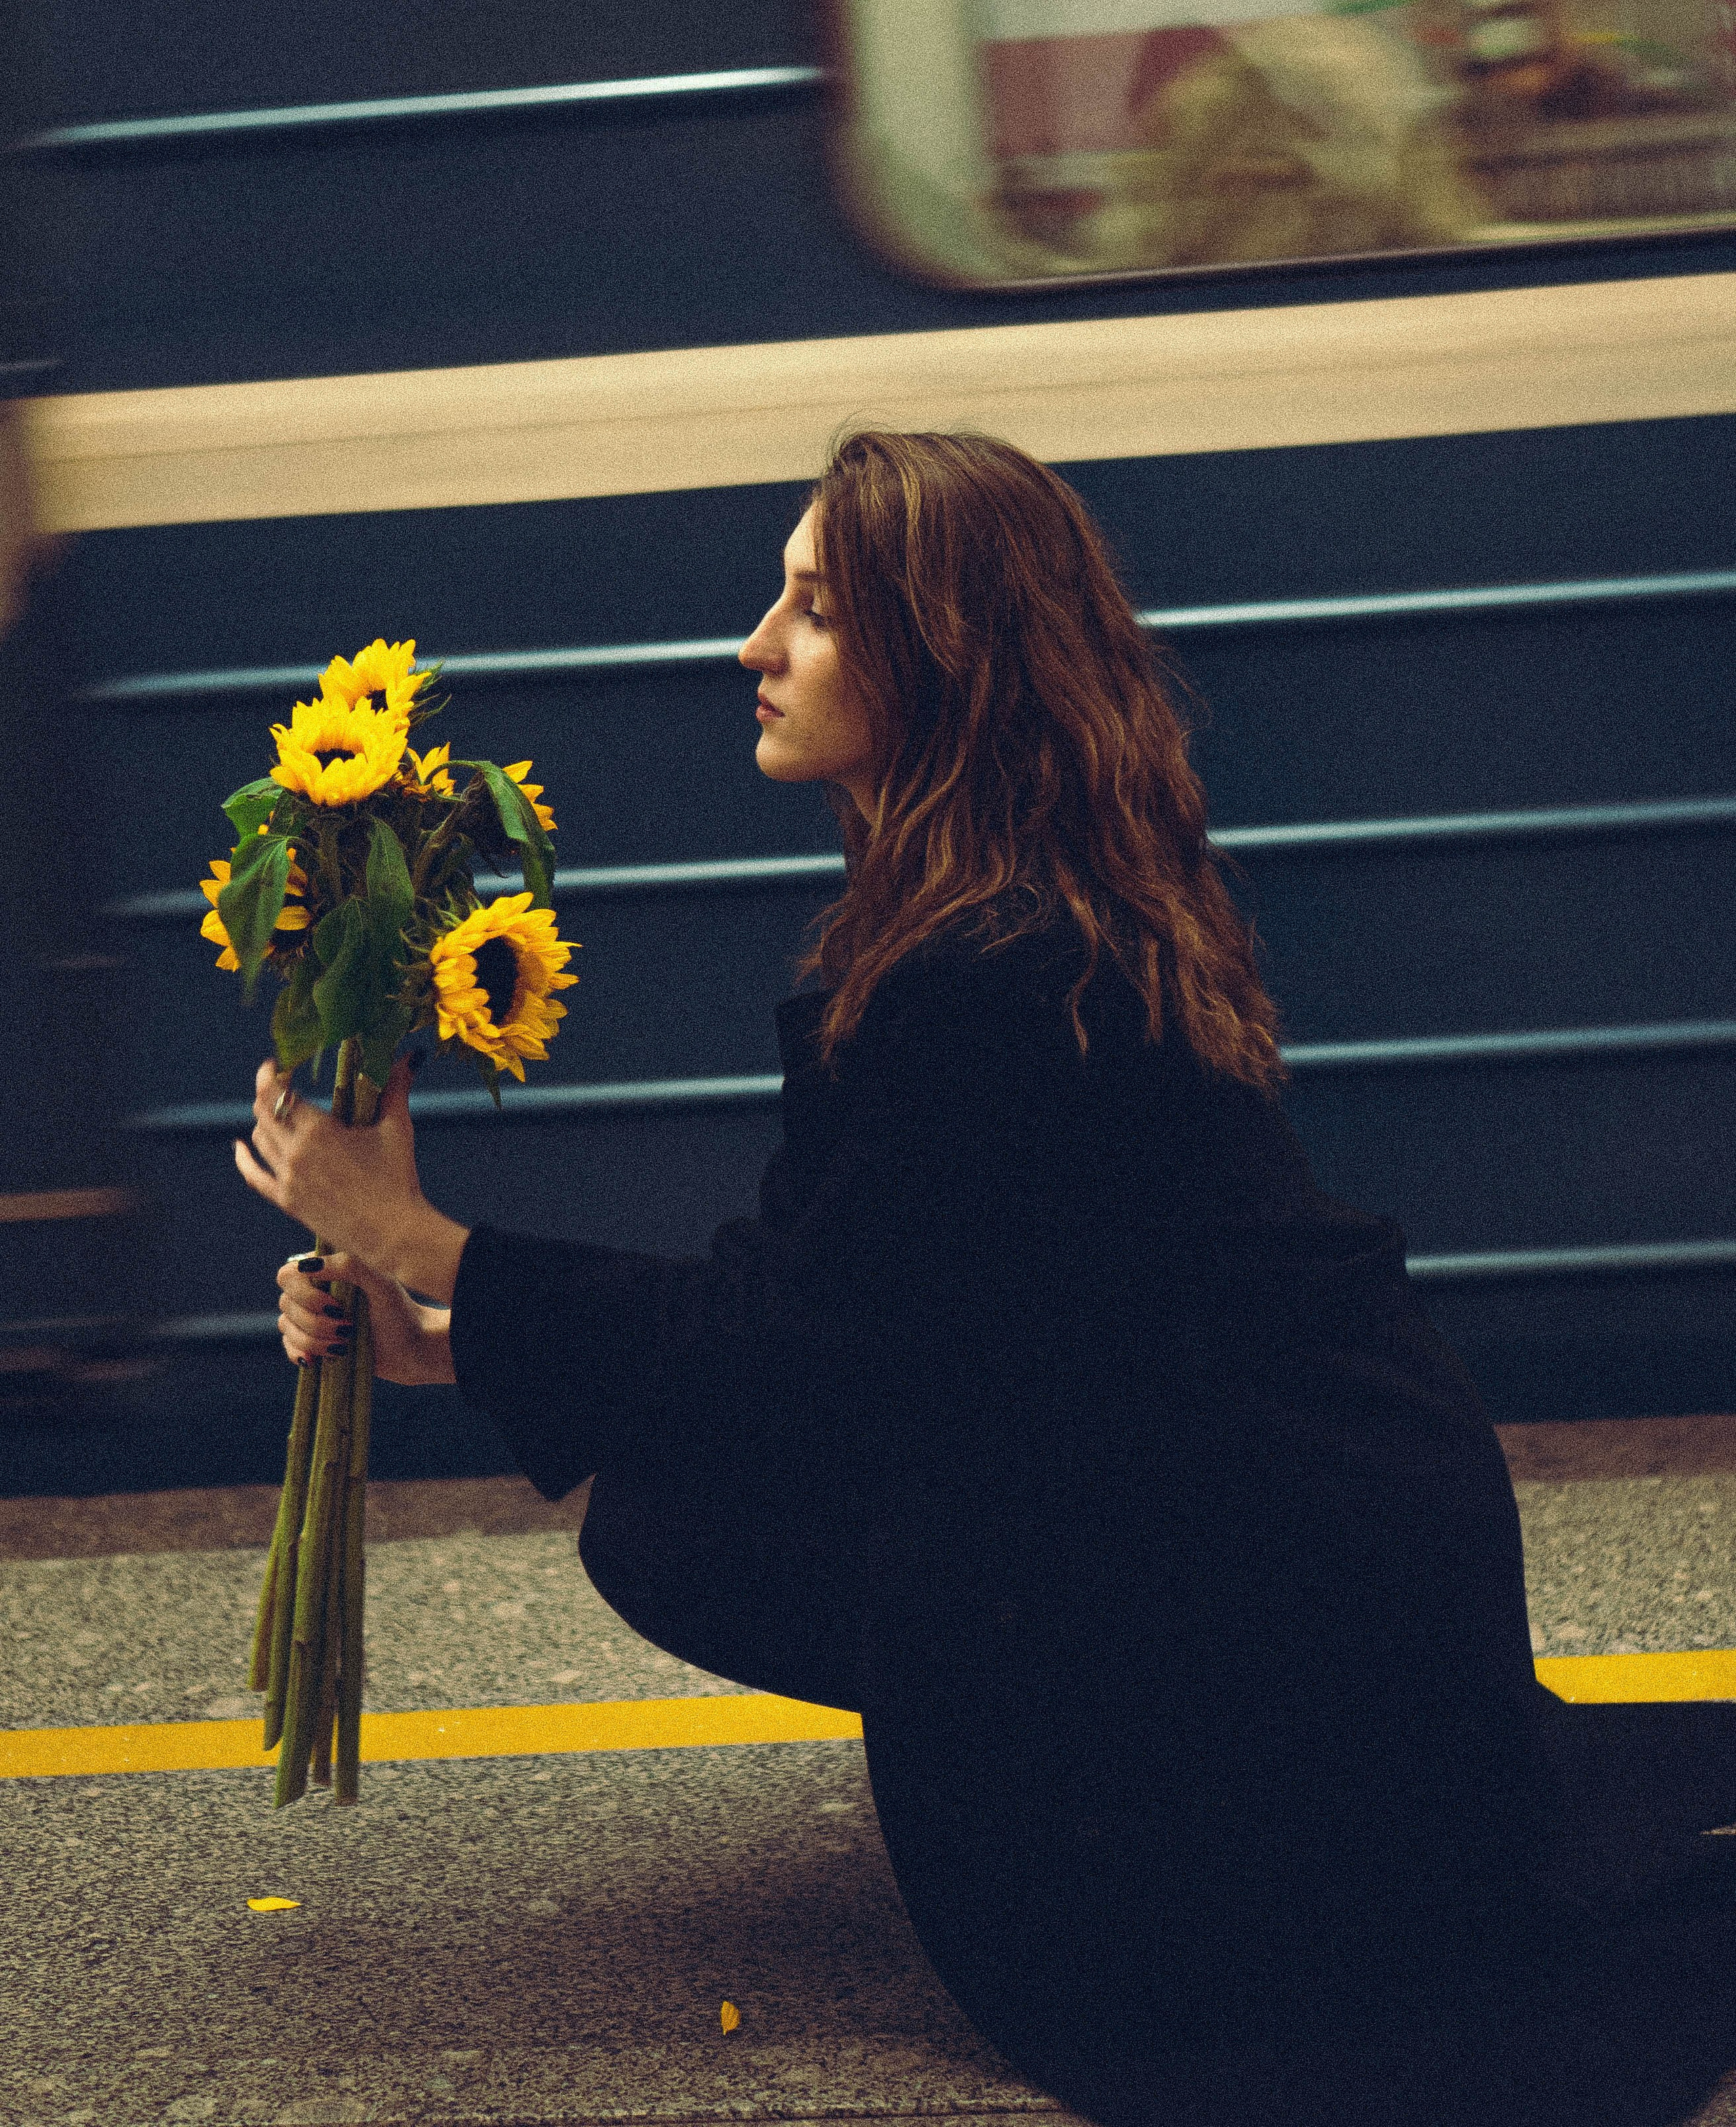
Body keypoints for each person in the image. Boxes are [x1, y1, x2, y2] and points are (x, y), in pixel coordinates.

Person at [240, 427, 1736, 2127]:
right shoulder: (1006, 907)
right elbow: (868, 1315)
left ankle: (1158, 1800)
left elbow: (794, 1356)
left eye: (809, 607)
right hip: (1286, 1525)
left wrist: (420, 1236)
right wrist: (438, 1341)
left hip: (1269, 1594)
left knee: (674, 1501)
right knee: (665, 1497)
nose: (752, 646)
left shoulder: (995, 966)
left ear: (936, 656)